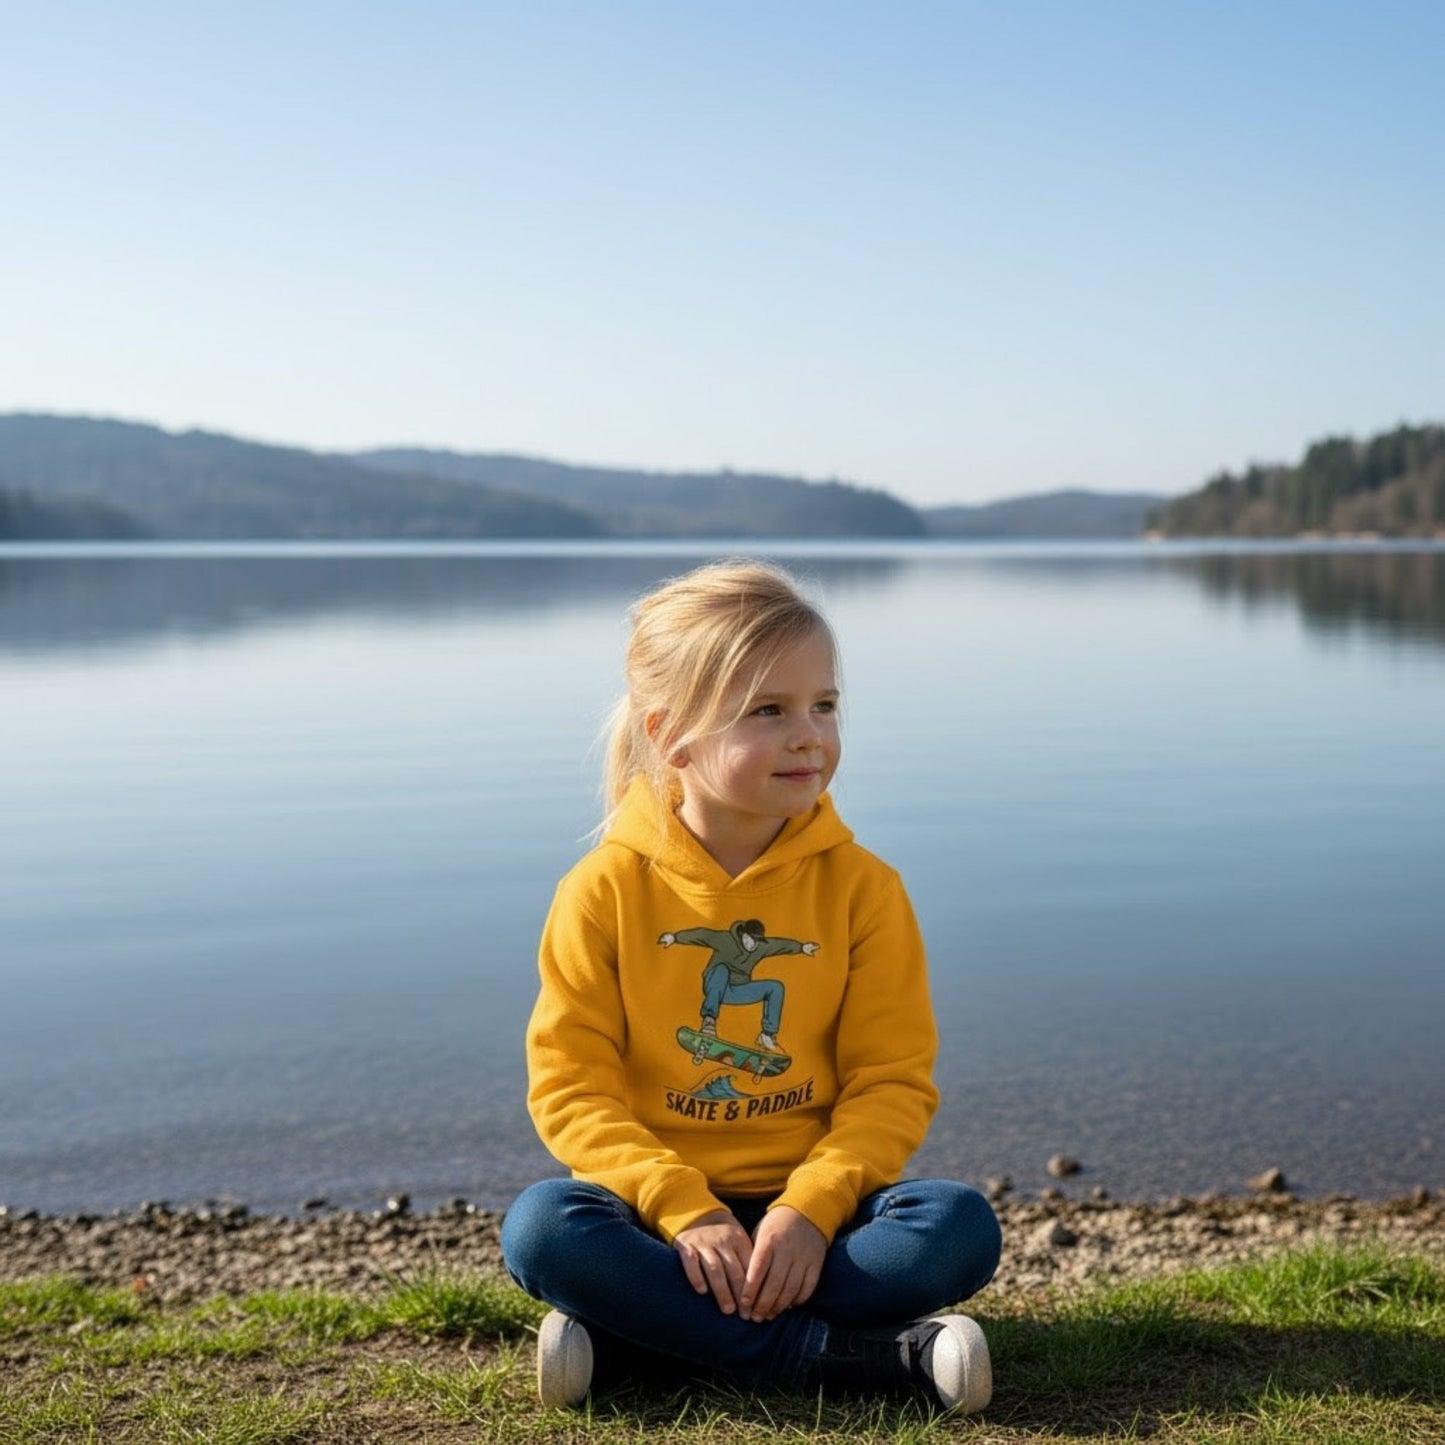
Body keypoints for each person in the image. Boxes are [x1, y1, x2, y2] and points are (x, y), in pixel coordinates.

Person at [501, 559, 1001, 1414]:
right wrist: (683, 1209)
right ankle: (846, 1360)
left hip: (820, 1213)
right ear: (671, 735)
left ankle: (637, 1341)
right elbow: (571, 1086)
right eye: (767, 710)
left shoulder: (864, 889)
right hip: (654, 1216)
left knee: (955, 1226)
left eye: (824, 704)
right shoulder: (603, 891)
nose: (808, 734)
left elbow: (890, 1079)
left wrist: (809, 1209)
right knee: (545, 1228)